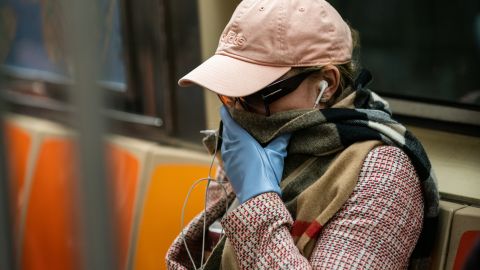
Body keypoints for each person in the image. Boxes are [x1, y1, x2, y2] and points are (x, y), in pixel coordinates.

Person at [167, 0, 439, 269]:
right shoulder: (251, 146)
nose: (239, 110)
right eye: (230, 93)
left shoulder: (382, 174)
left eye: (257, 93)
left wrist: (257, 200)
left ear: (327, 84)